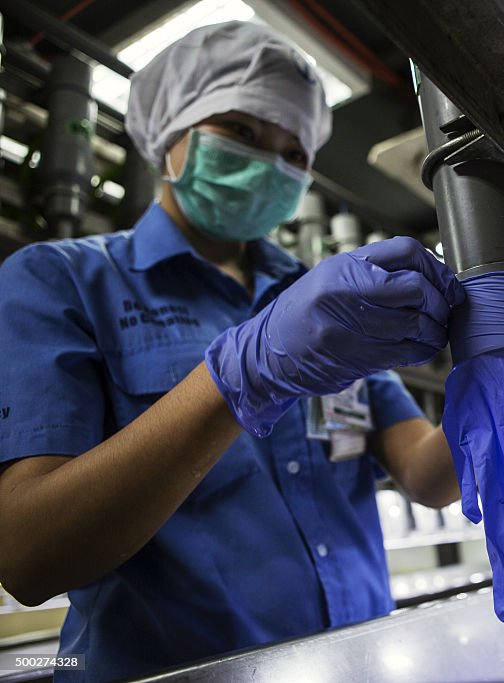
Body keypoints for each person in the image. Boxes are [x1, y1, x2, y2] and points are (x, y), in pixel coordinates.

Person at [0, 22, 465, 682]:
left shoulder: (322, 300)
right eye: (243, 132)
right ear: (172, 135)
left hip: (361, 666)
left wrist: (490, 377)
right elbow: (27, 555)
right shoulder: (62, 281)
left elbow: (426, 474)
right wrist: (238, 377)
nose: (271, 164)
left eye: (295, 154)